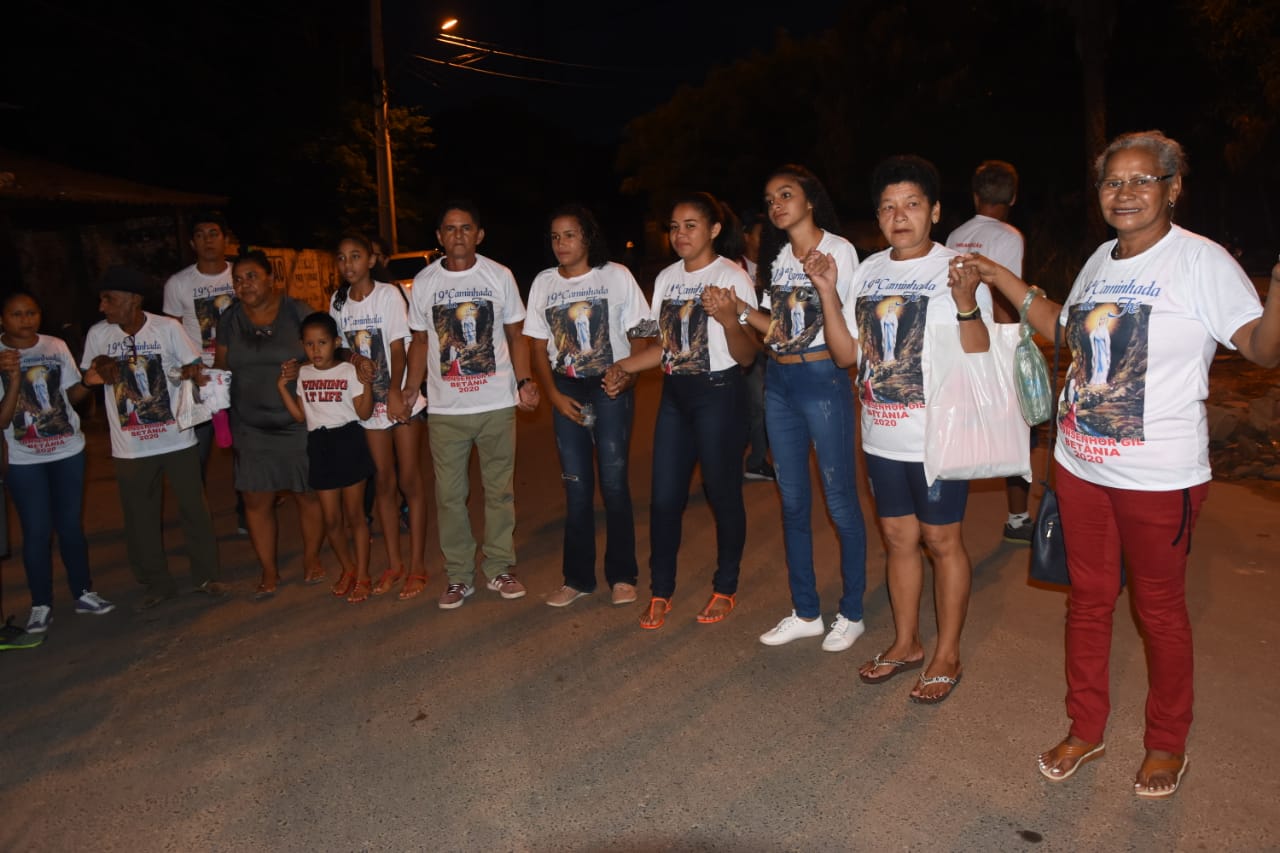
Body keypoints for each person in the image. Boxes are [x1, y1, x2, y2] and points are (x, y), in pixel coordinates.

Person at [952, 130, 1280, 798]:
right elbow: (1063, 327)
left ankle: (1166, 742)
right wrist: (995, 276)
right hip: (1080, 466)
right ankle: (1086, 727)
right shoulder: (1101, 259)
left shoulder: (1200, 261)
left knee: (1160, 612)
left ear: (1172, 188)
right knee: (1088, 602)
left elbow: (1261, 348)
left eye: (1140, 180)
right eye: (1112, 181)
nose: (1124, 192)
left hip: (1159, 476)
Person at [817, 155, 992, 702]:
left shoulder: (958, 269)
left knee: (942, 540)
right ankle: (907, 642)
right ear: (877, 216)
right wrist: (827, 291)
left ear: (935, 211)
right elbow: (846, 355)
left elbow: (981, 354)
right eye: (888, 207)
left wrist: (966, 303)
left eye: (912, 204)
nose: (899, 216)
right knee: (897, 538)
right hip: (882, 433)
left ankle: (947, 652)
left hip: (940, 435)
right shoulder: (869, 271)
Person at [729, 164, 869, 654]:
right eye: (770, 199)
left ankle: (852, 612)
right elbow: (778, 329)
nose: (776, 205)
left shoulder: (839, 251)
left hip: (823, 377)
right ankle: (806, 611)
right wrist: (740, 311)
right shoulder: (775, 259)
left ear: (810, 200)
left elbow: (848, 326)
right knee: (791, 501)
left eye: (785, 195)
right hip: (780, 382)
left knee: (839, 500)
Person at [607, 192, 757, 629]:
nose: (680, 234)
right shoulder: (667, 278)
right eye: (674, 226)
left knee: (722, 494)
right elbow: (665, 348)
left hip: (719, 394)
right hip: (675, 396)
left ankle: (725, 585)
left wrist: (728, 319)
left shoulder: (731, 277)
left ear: (714, 229)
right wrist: (623, 366)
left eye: (691, 225)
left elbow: (748, 356)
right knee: (664, 498)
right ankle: (661, 590)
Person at [404, 201, 540, 610]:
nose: (458, 235)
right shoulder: (424, 281)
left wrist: (524, 382)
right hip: (446, 410)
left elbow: (516, 335)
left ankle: (499, 567)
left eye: (466, 228)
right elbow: (420, 341)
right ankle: (459, 576)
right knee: (450, 496)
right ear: (439, 237)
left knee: (499, 492)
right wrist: (410, 388)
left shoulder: (499, 275)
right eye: (450, 228)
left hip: (496, 402)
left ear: (479, 235)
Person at [524, 204, 648, 608]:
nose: (561, 243)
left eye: (570, 235)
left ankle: (623, 576)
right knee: (576, 486)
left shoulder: (616, 275)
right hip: (567, 387)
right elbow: (537, 347)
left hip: (610, 384)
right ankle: (576, 579)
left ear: (588, 237)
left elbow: (643, 332)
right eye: (555, 237)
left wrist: (629, 374)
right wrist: (553, 395)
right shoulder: (543, 283)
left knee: (613, 482)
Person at [81, 266, 225, 609]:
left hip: (177, 438)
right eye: (102, 300)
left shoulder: (167, 328)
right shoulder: (98, 334)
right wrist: (98, 369)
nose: (102, 307)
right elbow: (86, 380)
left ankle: (206, 576)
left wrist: (193, 372)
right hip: (130, 447)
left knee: (194, 509)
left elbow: (195, 367)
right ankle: (156, 582)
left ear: (134, 300)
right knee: (139, 518)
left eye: (109, 299)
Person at [0, 291, 114, 633]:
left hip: (67, 450)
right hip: (23, 458)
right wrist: (13, 379)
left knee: (70, 527)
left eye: (31, 312)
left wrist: (88, 384)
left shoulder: (55, 345)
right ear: (2, 319)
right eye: (17, 314)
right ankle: (41, 604)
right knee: (36, 531)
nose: (26, 319)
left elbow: (69, 397)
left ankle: (83, 592)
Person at [215, 249, 327, 598]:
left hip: (296, 421)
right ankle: (268, 569)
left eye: (251, 276)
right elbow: (221, 368)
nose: (244, 284)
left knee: (307, 494)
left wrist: (303, 369)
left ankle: (311, 558)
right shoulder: (229, 320)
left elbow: (323, 357)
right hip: (250, 425)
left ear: (271, 279)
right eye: (238, 279)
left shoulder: (297, 313)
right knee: (255, 499)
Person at [330, 234, 430, 601]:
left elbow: (397, 348)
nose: (348, 264)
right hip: (368, 405)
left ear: (371, 260)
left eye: (356, 256)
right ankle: (394, 564)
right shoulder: (338, 301)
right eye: (342, 258)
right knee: (384, 483)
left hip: (399, 398)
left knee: (409, 480)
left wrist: (395, 393)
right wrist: (356, 359)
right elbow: (339, 347)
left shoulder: (388, 295)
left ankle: (417, 565)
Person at [945, 161, 1033, 543]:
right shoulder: (1009, 236)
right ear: (1013, 198)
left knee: (961, 428)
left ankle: (947, 518)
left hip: (960, 336)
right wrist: (1012, 347)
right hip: (994, 340)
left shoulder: (955, 235)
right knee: (1016, 428)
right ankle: (1017, 519)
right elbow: (1004, 295)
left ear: (975, 196)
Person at [277, 313, 376, 603]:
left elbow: (364, 413)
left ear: (335, 342)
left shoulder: (348, 371)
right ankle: (348, 568)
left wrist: (366, 383)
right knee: (331, 520)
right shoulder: (304, 374)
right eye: (309, 344)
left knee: (355, 516)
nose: (315, 349)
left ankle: (363, 575)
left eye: (322, 342)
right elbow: (300, 416)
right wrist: (281, 387)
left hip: (348, 440)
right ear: (302, 345)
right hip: (319, 445)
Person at [162, 212, 236, 470]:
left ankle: (246, 496)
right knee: (197, 453)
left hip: (239, 373)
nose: (208, 240)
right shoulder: (178, 283)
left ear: (226, 239)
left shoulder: (242, 276)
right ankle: (196, 495)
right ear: (192, 243)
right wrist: (185, 370)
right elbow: (170, 334)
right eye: (200, 235)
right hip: (199, 378)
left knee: (246, 451)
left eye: (214, 234)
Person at [739, 210, 773, 482]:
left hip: (769, 346)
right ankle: (753, 459)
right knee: (755, 405)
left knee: (764, 405)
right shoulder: (735, 269)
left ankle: (757, 458)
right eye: (761, 235)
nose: (765, 241)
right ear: (747, 236)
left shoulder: (771, 268)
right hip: (746, 347)